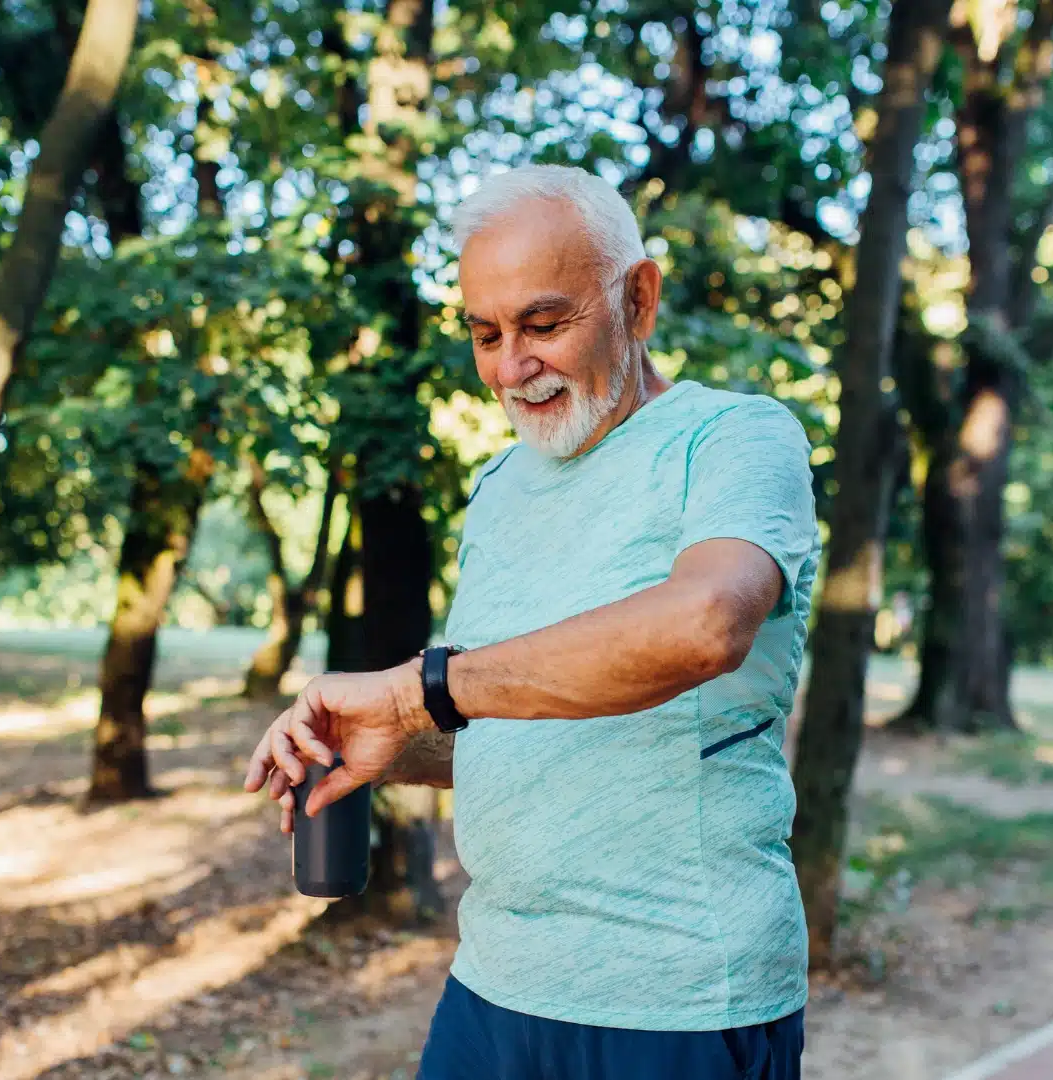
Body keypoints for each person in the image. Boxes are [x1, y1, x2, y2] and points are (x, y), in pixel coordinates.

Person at [243, 163, 820, 1080]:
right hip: (496, 981)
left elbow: (705, 624)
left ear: (639, 298)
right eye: (485, 333)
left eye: (545, 325)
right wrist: (400, 743)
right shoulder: (499, 490)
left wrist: (417, 691)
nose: (513, 366)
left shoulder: (736, 438)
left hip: (674, 998)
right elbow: (518, 704)